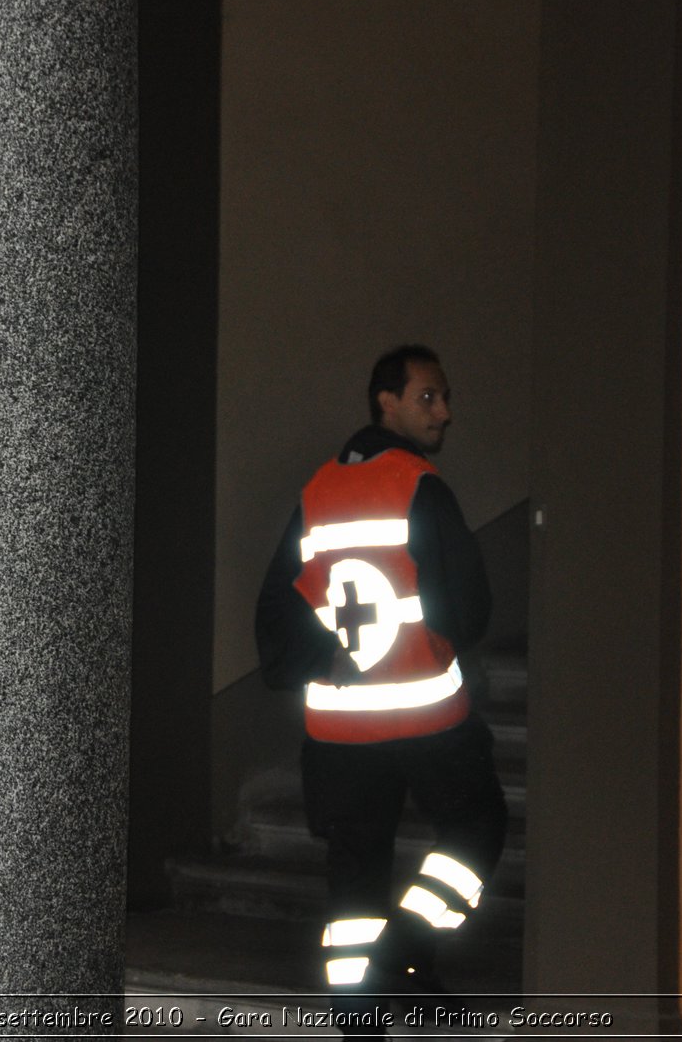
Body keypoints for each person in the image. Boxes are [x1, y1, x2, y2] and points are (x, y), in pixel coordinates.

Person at [254, 345, 507, 1037]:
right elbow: (470, 608)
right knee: (478, 827)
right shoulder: (421, 487)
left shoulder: (315, 493)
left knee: (354, 882)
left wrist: (333, 657)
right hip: (429, 719)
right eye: (428, 397)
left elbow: (274, 623)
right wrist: (438, 646)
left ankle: (359, 1024)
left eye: (445, 397)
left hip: (338, 734)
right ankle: (406, 952)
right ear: (385, 402)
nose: (445, 412)